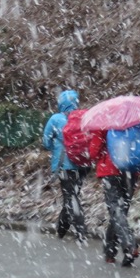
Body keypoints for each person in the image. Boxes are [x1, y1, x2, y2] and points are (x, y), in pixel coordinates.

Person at [89, 129, 140, 267]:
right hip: (131, 171)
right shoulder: (136, 122)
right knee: (120, 212)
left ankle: (129, 245)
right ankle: (110, 252)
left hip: (110, 170)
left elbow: (93, 152)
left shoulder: (104, 122)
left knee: (116, 210)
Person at [42, 89, 88, 244]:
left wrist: (56, 145)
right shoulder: (84, 117)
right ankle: (61, 229)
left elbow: (46, 142)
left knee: (70, 197)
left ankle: (81, 232)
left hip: (63, 165)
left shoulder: (55, 119)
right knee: (72, 195)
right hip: (82, 164)